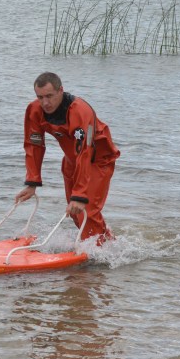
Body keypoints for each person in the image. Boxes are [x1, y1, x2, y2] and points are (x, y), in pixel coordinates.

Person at [15, 72, 120, 243]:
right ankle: (107, 243)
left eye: (49, 96)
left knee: (86, 210)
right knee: (74, 213)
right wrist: (32, 182)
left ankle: (96, 257)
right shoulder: (34, 110)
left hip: (98, 160)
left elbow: (85, 152)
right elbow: (33, 145)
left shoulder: (80, 111)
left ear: (61, 91)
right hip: (72, 160)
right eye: (40, 97)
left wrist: (79, 194)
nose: (45, 103)